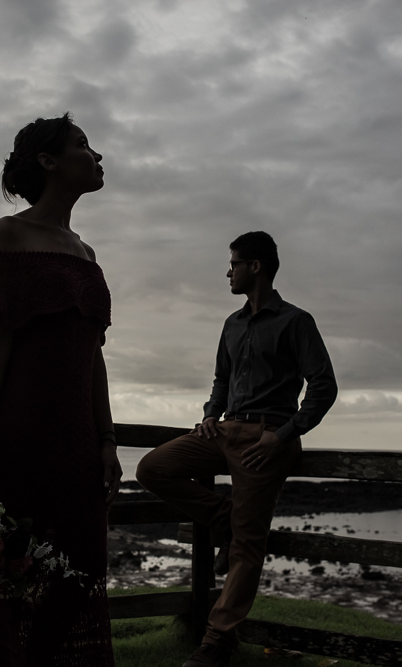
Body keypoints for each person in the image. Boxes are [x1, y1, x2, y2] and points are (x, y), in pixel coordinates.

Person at [0, 112, 121, 666]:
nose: (96, 155)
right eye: (82, 145)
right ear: (48, 162)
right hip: (22, 435)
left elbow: (93, 359)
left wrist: (106, 441)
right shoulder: (9, 233)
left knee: (81, 570)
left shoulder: (86, 252)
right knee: (21, 572)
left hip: (78, 442)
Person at [136, 231, 337, 667]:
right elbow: (221, 381)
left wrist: (281, 436)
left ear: (256, 267)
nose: (228, 272)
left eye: (234, 264)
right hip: (223, 431)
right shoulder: (232, 323)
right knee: (152, 468)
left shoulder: (296, 321)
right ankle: (224, 517)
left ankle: (218, 640)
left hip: (267, 440)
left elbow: (323, 386)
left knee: (248, 546)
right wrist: (210, 413)